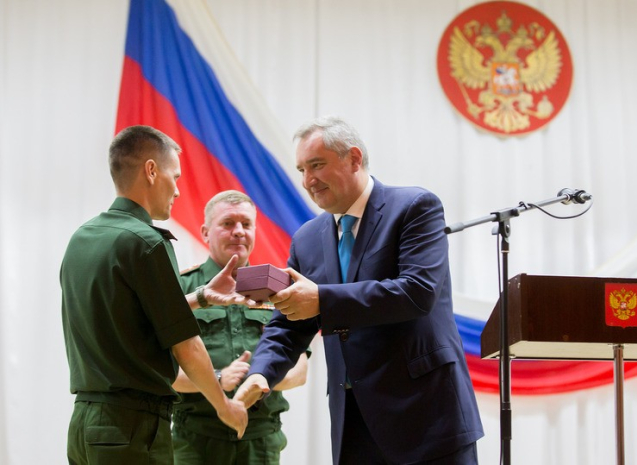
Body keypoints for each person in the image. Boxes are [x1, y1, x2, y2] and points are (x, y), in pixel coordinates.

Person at [235, 116, 484, 464]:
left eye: (316, 165)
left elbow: (417, 292)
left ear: (353, 158)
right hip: (353, 423)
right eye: (302, 170)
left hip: (427, 418)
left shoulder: (415, 207)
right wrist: (261, 372)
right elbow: (288, 324)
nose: (307, 180)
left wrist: (321, 300)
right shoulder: (306, 239)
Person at [61, 125, 250, 465]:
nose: (177, 190)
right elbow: (187, 346)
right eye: (174, 176)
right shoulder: (147, 242)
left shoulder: (82, 238)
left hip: (84, 425)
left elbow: (126, 316)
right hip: (133, 428)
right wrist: (225, 406)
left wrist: (201, 297)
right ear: (151, 171)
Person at [171, 190, 309, 464]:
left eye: (246, 224)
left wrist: (258, 379)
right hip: (195, 441)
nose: (238, 231)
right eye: (227, 223)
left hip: (260, 442)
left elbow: (300, 371)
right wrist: (217, 378)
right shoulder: (182, 290)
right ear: (206, 232)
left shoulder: (279, 289)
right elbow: (164, 372)